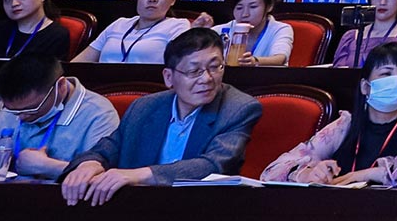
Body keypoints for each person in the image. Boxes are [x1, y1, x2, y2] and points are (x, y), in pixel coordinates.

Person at [61, 28, 263, 203]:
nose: (207, 79)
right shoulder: (145, 106)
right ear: (169, 77)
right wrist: (91, 163)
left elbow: (213, 165)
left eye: (215, 67)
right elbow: (109, 147)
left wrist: (136, 175)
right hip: (136, 210)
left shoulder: (238, 108)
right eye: (194, 71)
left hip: (202, 212)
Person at [263, 41, 397, 188]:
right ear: (366, 87)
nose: (396, 81)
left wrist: (365, 175)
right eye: (386, 74)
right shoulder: (346, 124)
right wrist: (307, 173)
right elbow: (272, 171)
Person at [0, 54, 119, 180]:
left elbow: (102, 179)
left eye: (31, 109)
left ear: (60, 87)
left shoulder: (99, 113)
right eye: (14, 112)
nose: (22, 117)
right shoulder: (14, 107)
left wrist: (48, 167)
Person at [77, 0, 190, 64]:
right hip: (100, 85)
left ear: (173, 0)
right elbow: (81, 61)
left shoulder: (178, 26)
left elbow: (181, 67)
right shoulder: (119, 24)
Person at [196, 0, 293, 67]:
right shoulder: (221, 30)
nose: (244, 14)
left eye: (253, 7)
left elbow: (280, 58)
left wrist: (255, 61)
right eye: (239, 8)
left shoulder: (280, 29)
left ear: (269, 6)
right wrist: (199, 31)